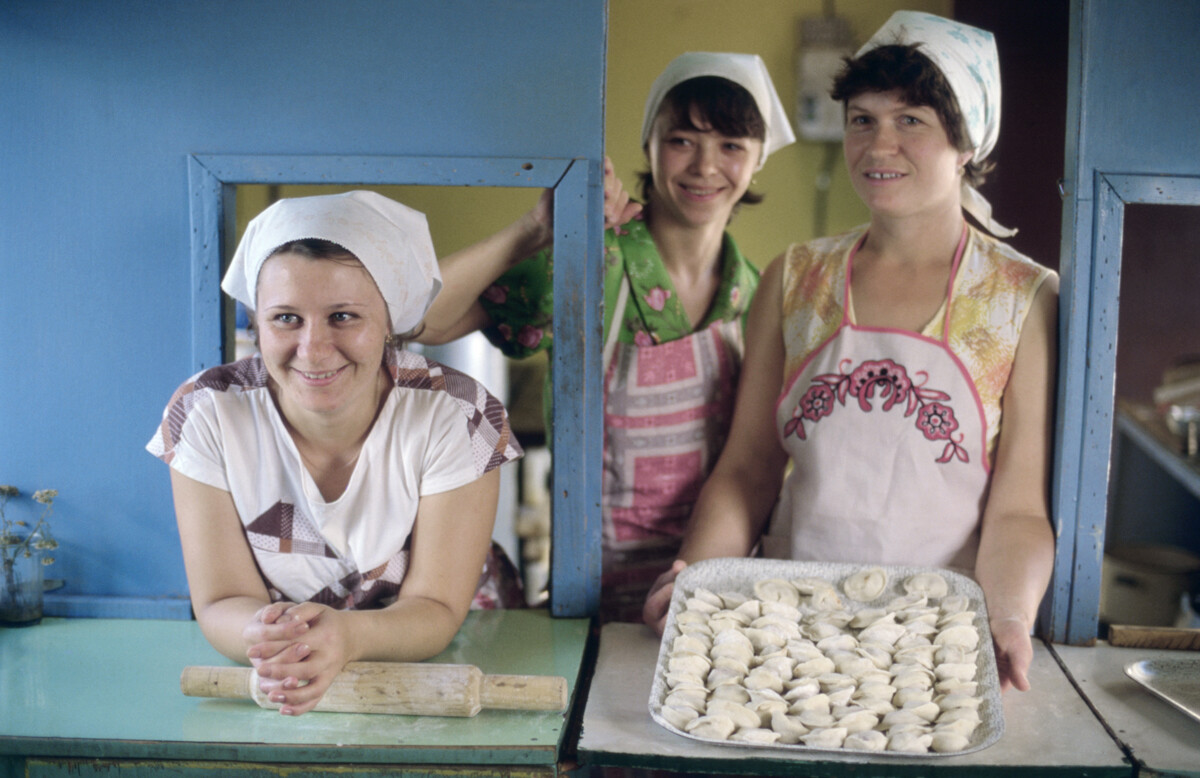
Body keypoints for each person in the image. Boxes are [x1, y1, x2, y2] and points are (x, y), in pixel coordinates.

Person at [643, 12, 1058, 694]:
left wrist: (1008, 616)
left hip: (933, 641)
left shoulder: (1022, 298)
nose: (877, 145)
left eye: (911, 121)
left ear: (968, 140)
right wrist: (697, 574)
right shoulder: (797, 276)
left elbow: (1018, 511)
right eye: (861, 120)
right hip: (787, 631)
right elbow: (747, 469)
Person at [418, 53, 796, 621]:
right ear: (649, 144)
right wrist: (537, 231)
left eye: (732, 146)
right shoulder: (590, 258)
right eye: (683, 140)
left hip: (710, 600)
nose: (705, 166)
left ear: (758, 160)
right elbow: (423, 319)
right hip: (588, 594)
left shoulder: (758, 294)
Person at [147, 191, 524, 715]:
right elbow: (220, 601)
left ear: (390, 321)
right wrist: (270, 639)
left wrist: (345, 637)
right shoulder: (207, 415)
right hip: (283, 672)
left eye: (343, 316)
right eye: (285, 318)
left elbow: (434, 607)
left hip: (452, 657)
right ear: (256, 322)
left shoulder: (457, 415)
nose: (313, 348)